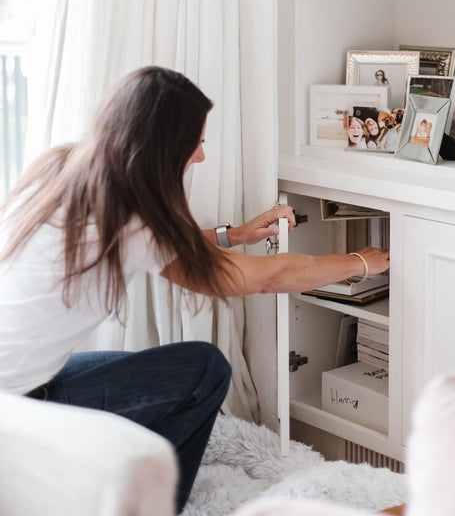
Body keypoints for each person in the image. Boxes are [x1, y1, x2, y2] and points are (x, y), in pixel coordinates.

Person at [0, 66, 389, 512]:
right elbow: (267, 278)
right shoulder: (132, 220)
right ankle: (155, 505)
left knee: (139, 369)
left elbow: (166, 245)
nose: (201, 156)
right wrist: (359, 263)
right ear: (163, 147)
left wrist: (235, 235)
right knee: (204, 369)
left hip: (17, 383)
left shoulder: (65, 169)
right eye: (197, 143)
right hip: (15, 415)